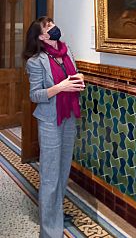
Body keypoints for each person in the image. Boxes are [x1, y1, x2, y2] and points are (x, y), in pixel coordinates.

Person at [23, 16, 85, 238]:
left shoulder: (67, 53)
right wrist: (60, 87)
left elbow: (73, 76)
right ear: (42, 37)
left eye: (52, 23)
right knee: (50, 174)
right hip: (50, 120)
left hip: (69, 116)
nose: (54, 27)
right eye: (48, 27)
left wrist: (78, 78)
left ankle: (55, 213)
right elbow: (35, 95)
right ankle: (50, 230)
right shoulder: (36, 61)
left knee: (63, 169)